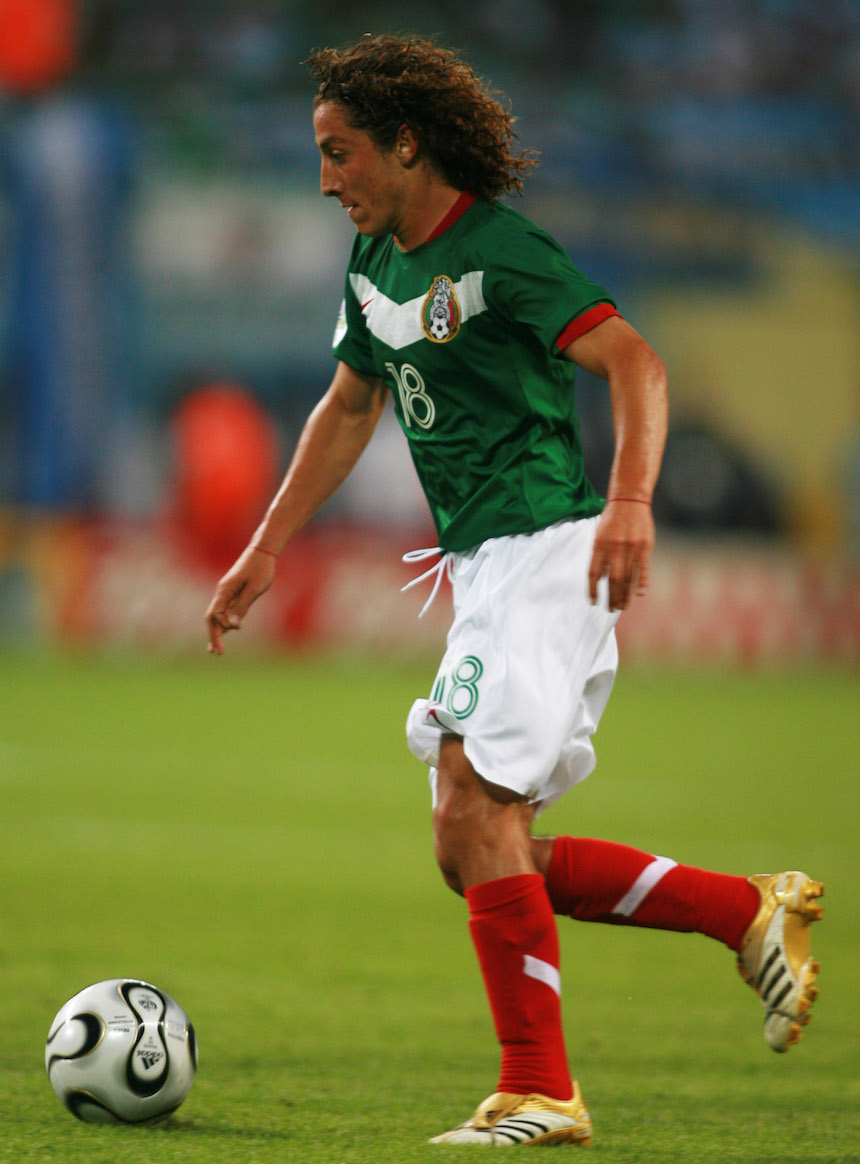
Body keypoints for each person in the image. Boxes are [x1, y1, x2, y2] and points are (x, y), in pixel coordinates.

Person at [204, 34, 823, 1148]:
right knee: (477, 849)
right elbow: (351, 404)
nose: (325, 179)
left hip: (547, 551)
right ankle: (743, 910)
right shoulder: (374, 261)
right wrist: (267, 543)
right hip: (486, 568)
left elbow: (636, 363)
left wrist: (630, 502)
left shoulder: (501, 253)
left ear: (405, 144)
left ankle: (540, 1088)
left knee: (470, 803)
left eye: (339, 152)